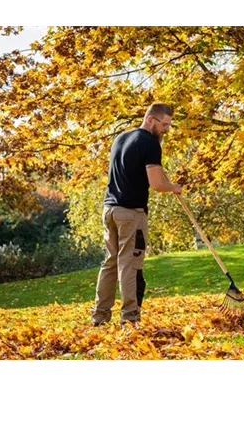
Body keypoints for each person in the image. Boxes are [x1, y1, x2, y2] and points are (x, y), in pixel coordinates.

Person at [91, 102, 182, 326]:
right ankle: (130, 318)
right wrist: (174, 187)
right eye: (164, 125)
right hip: (131, 213)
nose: (166, 130)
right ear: (150, 119)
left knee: (110, 263)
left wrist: (166, 182)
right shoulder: (150, 143)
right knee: (129, 264)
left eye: (170, 126)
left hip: (109, 210)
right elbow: (157, 184)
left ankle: (99, 316)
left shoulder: (121, 138)